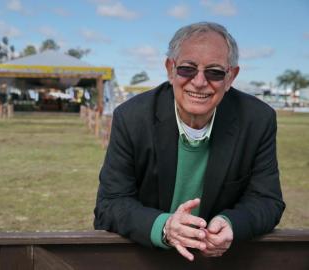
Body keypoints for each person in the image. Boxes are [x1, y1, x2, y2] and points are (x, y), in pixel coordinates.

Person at [93, 22, 285, 261]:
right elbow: (110, 203)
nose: (199, 81)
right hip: (145, 257)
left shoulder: (258, 120)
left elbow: (267, 200)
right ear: (170, 69)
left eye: (214, 72)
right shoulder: (131, 117)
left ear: (230, 77)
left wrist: (231, 223)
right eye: (187, 69)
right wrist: (165, 227)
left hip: (218, 261)